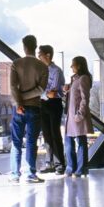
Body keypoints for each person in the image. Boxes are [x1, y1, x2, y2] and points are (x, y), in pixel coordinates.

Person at [9, 34, 49, 184]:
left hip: (18, 109)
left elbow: (13, 87)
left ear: (24, 47)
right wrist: (26, 97)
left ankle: (15, 175)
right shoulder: (43, 67)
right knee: (32, 142)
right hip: (34, 108)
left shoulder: (16, 64)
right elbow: (41, 90)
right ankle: (31, 174)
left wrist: (19, 102)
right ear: (35, 46)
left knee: (16, 142)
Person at [37, 44, 66, 174]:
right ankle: (49, 164)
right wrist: (44, 93)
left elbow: (53, 93)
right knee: (46, 135)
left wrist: (42, 93)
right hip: (42, 104)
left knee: (55, 134)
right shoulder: (39, 71)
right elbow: (38, 90)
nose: (38, 56)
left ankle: (60, 165)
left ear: (48, 55)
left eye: (40, 54)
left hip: (54, 104)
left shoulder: (56, 71)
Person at [65, 56, 93, 177]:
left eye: (73, 64)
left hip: (77, 117)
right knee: (70, 141)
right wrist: (67, 90)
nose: (71, 67)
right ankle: (73, 168)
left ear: (79, 65)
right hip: (71, 117)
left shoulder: (83, 78)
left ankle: (80, 169)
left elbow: (85, 98)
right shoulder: (75, 79)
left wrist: (80, 114)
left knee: (80, 141)